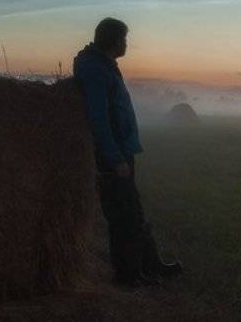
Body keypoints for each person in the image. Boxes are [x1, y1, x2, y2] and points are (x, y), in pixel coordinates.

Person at [73, 18, 183, 287]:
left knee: (134, 211)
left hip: (123, 150)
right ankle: (128, 276)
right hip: (114, 156)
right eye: (123, 39)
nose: (126, 44)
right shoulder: (94, 69)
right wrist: (115, 158)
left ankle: (151, 265)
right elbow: (99, 118)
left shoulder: (104, 65)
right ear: (113, 40)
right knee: (122, 217)